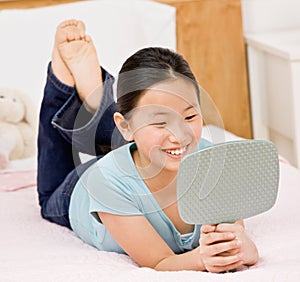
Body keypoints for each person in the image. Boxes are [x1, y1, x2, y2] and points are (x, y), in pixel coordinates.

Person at [37, 19, 258, 273]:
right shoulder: (105, 183)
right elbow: (161, 261)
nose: (179, 134)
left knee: (149, 134)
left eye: (189, 117)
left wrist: (246, 249)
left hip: (140, 155)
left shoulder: (214, 162)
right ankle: (62, 79)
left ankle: (100, 99)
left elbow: (235, 236)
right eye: (162, 122)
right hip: (84, 186)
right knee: (51, 189)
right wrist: (200, 260)